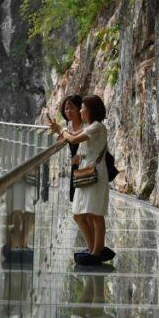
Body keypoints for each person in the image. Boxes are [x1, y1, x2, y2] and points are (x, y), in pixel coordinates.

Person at [59, 95, 114, 265]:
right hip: (87, 172)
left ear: (91, 110)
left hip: (95, 174)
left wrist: (61, 130)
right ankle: (93, 249)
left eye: (83, 108)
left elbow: (73, 138)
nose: (81, 110)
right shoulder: (90, 127)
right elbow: (74, 136)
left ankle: (96, 252)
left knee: (95, 214)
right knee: (80, 214)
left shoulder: (97, 127)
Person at [49, 95, 84, 203]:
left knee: (83, 197)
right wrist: (63, 136)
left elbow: (74, 138)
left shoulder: (86, 125)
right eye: (66, 109)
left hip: (85, 163)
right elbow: (70, 137)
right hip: (75, 164)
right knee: (75, 197)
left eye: (72, 108)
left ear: (80, 108)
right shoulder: (69, 124)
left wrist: (61, 131)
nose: (68, 111)